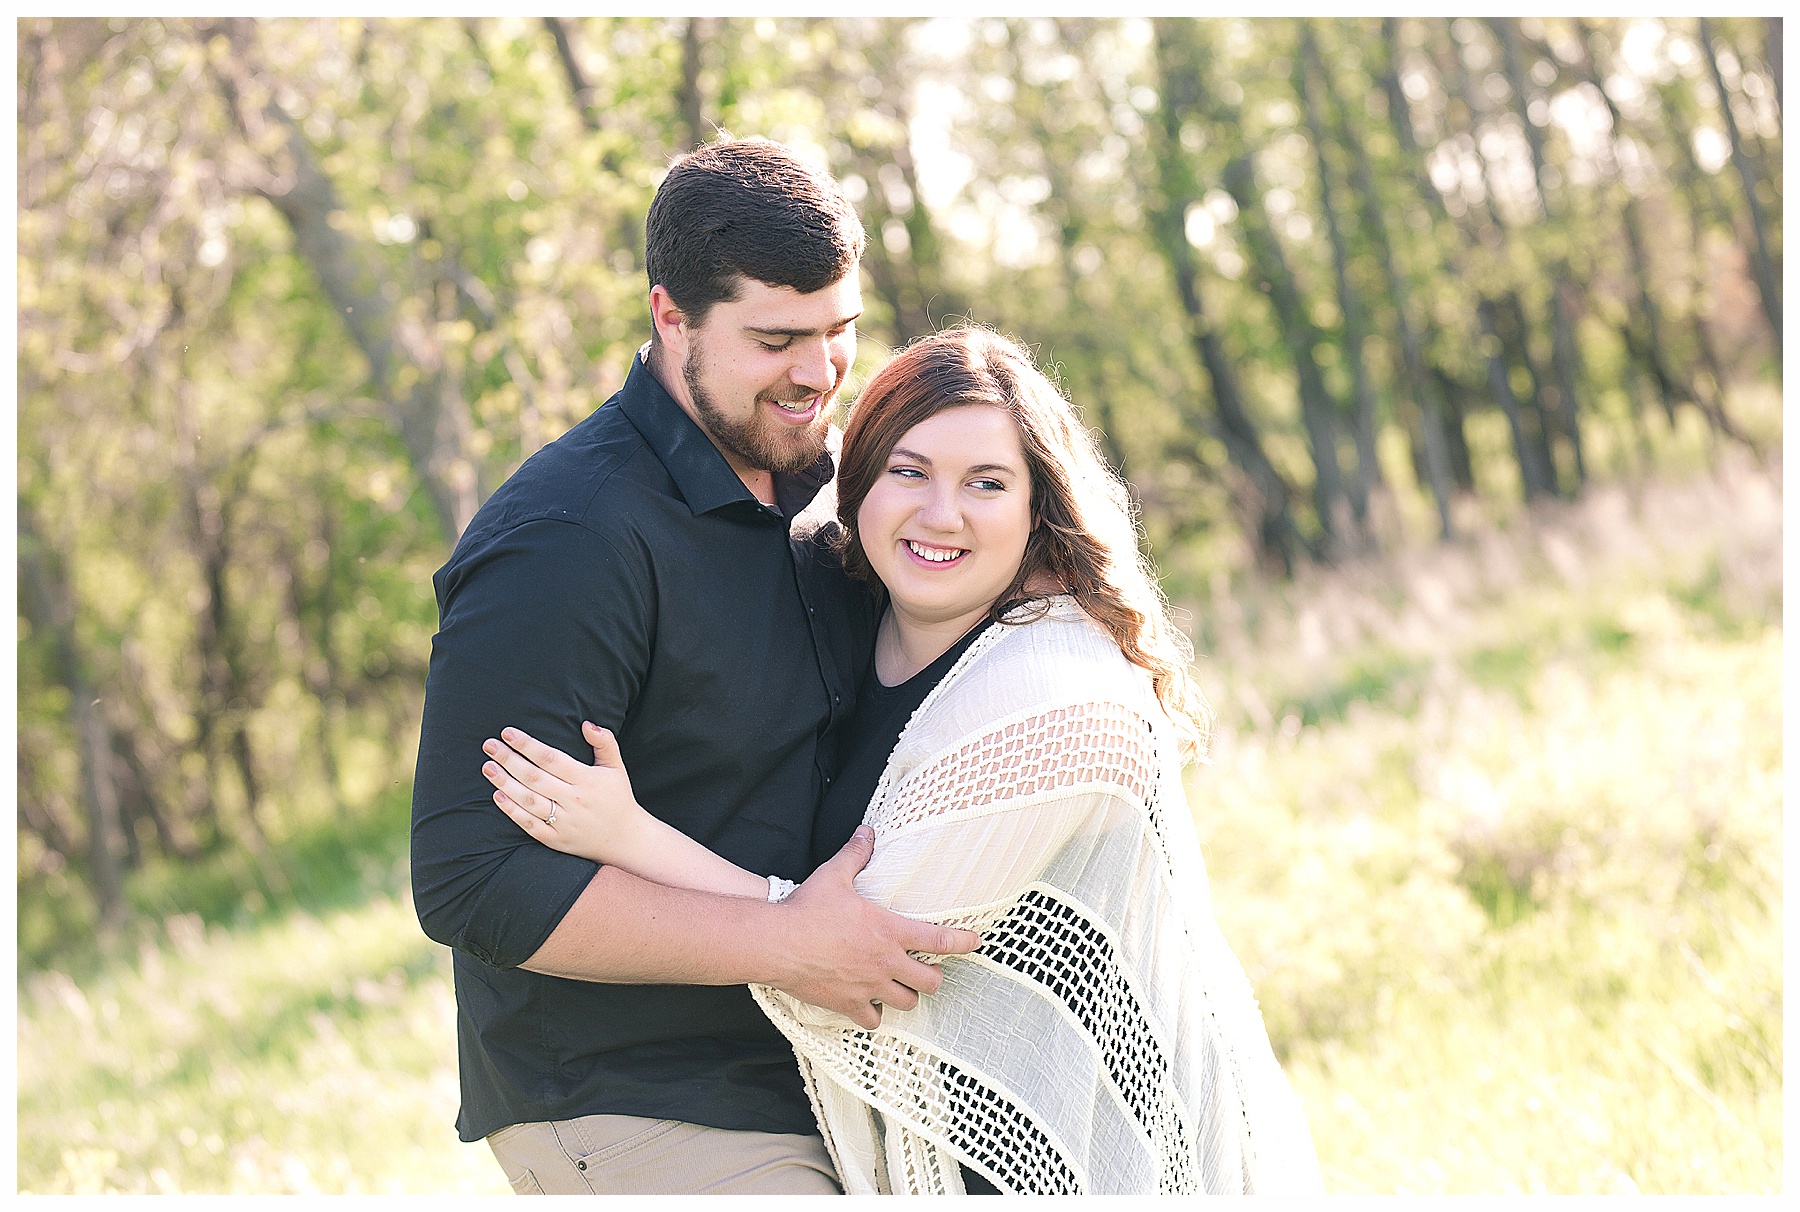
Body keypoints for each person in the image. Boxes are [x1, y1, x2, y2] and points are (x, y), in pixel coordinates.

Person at [481, 327, 1324, 1194]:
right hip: (955, 1153)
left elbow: (855, 954)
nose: (941, 513)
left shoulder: (1055, 695)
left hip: (1094, 1157)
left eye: (986, 484)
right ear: (861, 483)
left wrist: (628, 834)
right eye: (909, 471)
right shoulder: (859, 630)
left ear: (1039, 508)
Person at [409, 137, 980, 1197]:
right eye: (775, 339)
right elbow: (472, 881)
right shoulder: (568, 538)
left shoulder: (836, 492)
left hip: (834, 1071)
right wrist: (785, 942)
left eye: (839, 332)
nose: (817, 373)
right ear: (671, 318)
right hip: (630, 1095)